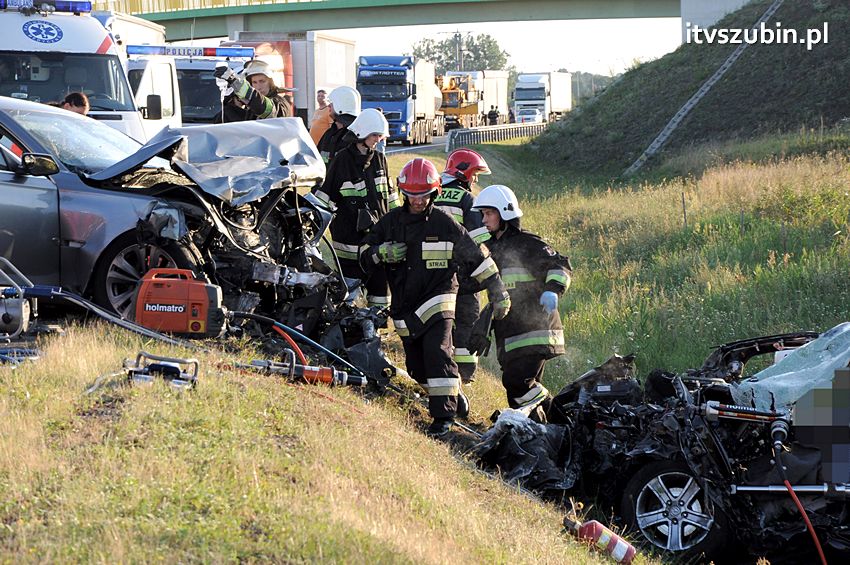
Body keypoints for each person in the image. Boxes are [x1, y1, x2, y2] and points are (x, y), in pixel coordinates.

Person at [360, 158, 511, 437]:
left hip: (439, 300)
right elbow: (363, 255)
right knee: (416, 368)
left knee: (438, 353)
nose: (418, 201)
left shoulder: (445, 224)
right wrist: (380, 252)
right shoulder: (390, 223)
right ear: (402, 192)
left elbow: (478, 258)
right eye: (412, 195)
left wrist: (497, 290)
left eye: (424, 195)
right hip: (405, 306)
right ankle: (451, 395)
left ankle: (444, 419)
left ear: (435, 192)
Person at [471, 184, 572, 423]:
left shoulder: (528, 243)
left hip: (536, 328)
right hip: (512, 333)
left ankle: (563, 422)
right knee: (517, 395)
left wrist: (553, 291)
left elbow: (560, 265)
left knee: (517, 383)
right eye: (482, 214)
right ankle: (543, 432)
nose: (484, 219)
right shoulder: (491, 247)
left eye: (489, 213)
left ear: (505, 213)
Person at [313, 108, 395, 308]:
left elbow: (391, 199)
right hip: (349, 244)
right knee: (349, 298)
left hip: (377, 243)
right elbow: (324, 198)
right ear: (362, 133)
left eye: (380, 135)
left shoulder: (379, 160)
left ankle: (376, 329)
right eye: (375, 135)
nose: (378, 139)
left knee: (380, 294)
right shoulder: (341, 160)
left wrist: (397, 225)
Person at [434, 148, 492, 384]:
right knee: (466, 323)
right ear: (464, 173)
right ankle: (464, 375)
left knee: (440, 323)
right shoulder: (467, 200)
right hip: (463, 276)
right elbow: (480, 242)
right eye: (474, 174)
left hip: (434, 272)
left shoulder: (433, 192)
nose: (475, 179)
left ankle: (441, 367)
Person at [214, 59, 291, 122]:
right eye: (254, 82)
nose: (259, 87)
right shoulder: (251, 108)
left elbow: (265, 108)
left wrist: (235, 82)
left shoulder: (280, 104)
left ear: (271, 83)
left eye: (262, 81)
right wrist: (234, 106)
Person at [317, 85, 361, 164]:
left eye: (332, 103)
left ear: (342, 105)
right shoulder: (329, 134)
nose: (328, 106)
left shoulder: (355, 136)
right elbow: (320, 158)